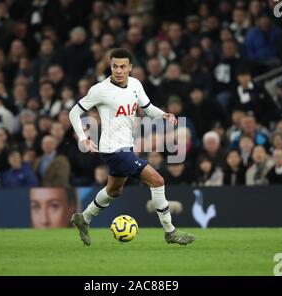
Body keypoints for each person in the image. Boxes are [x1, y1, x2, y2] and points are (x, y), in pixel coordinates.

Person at [68, 48, 195, 246]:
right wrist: (83, 138)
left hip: (126, 148)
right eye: (114, 66)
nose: (118, 70)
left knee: (113, 191)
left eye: (122, 66)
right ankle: (170, 231)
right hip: (113, 150)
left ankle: (83, 218)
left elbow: (148, 107)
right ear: (110, 66)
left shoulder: (135, 84)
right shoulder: (100, 90)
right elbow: (74, 112)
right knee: (157, 180)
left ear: (130, 67)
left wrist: (164, 114)